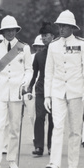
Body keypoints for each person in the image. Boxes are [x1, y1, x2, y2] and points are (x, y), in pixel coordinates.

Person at [44, 10, 84, 168]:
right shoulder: (53, 46)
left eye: (65, 26)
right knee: (57, 126)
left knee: (75, 129)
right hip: (58, 91)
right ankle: (54, 163)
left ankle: (73, 164)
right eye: (60, 26)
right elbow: (49, 72)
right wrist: (47, 95)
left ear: (72, 27)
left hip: (76, 91)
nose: (61, 29)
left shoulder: (83, 45)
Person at [0, 15, 33, 168]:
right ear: (2, 32)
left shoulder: (24, 48)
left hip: (16, 92)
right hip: (0, 92)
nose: (10, 33)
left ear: (16, 30)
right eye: (7, 30)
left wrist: (24, 83)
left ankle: (12, 158)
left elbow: (29, 69)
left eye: (12, 30)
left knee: (15, 127)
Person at [28, 22, 56, 157]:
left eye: (46, 35)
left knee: (53, 119)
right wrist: (29, 87)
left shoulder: (57, 53)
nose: (44, 38)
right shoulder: (39, 55)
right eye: (42, 36)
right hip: (41, 90)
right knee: (39, 117)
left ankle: (51, 147)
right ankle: (39, 146)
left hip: (55, 91)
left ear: (52, 36)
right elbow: (34, 74)